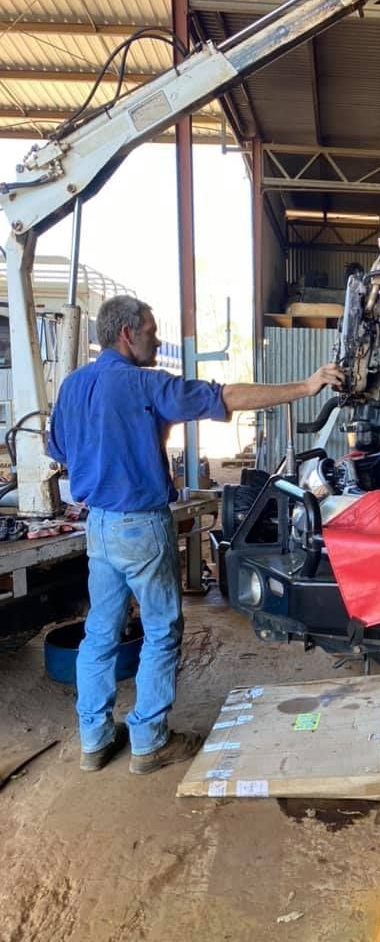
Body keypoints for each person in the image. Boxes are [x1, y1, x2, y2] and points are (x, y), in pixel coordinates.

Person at [48, 295, 343, 775]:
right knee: (162, 631)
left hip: (97, 526)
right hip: (141, 524)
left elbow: (56, 446)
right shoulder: (145, 384)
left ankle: (94, 741)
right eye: (150, 329)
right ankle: (148, 742)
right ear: (127, 333)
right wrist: (305, 387)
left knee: (99, 634)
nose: (157, 338)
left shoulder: (74, 386)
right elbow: (224, 397)